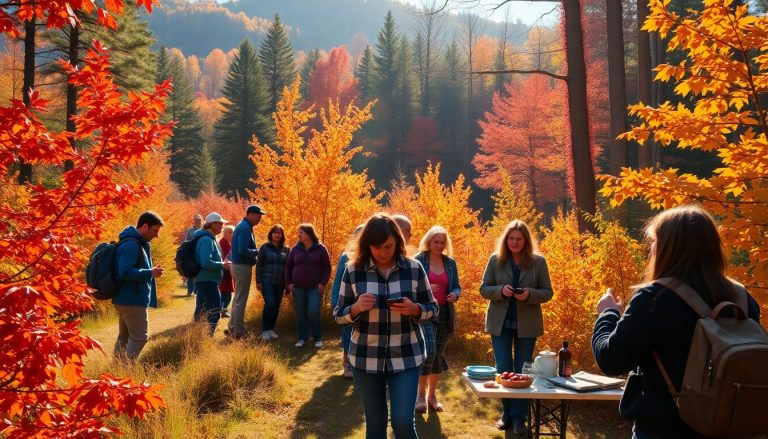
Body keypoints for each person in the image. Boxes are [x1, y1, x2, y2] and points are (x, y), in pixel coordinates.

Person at [592, 205, 761, 439]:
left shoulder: (654, 298)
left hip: (663, 429)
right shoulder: (742, 299)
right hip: (730, 429)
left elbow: (610, 360)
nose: (650, 249)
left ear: (667, 248)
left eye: (653, 242)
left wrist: (607, 314)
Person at [334, 213, 438, 439]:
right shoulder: (353, 270)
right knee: (375, 424)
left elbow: (433, 308)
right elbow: (339, 315)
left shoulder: (414, 268)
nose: (382, 252)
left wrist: (416, 309)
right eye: (376, 247)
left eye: (388, 246)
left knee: (402, 422)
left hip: (407, 354)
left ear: (398, 242)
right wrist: (355, 309)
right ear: (366, 245)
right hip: (365, 357)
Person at [480, 220, 553, 434]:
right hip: (499, 323)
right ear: (506, 240)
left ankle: (519, 418)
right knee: (503, 368)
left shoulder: (538, 262)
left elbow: (548, 292)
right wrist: (500, 290)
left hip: (527, 325)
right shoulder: (496, 260)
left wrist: (530, 294)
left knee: (522, 371)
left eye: (519, 239)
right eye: (511, 238)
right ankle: (506, 415)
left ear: (526, 240)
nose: (514, 242)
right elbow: (484, 289)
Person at [413, 225, 461, 413]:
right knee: (429, 351)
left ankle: (432, 396)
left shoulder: (450, 263)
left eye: (442, 242)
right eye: (436, 242)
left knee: (438, 354)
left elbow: (456, 287)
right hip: (425, 312)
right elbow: (409, 287)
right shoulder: (418, 261)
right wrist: (424, 289)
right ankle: (419, 395)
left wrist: (455, 295)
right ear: (428, 241)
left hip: (444, 312)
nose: (439, 245)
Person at [113, 211, 165, 361]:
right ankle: (125, 369)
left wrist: (149, 271)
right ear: (145, 226)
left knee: (125, 336)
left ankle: (115, 372)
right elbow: (125, 271)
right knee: (140, 337)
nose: (156, 235)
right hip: (131, 299)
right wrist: (150, 273)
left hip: (125, 297)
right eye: (155, 230)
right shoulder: (131, 244)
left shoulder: (133, 242)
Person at [285, 223, 331, 347]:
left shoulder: (321, 248)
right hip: (298, 287)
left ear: (309, 234)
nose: (298, 234)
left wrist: (322, 283)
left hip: (315, 287)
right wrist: (289, 283)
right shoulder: (295, 249)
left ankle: (317, 338)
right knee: (301, 312)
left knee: (314, 310)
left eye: (301, 232)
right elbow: (288, 267)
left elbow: (327, 267)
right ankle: (302, 338)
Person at [330, 224, 365, 378]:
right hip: (348, 299)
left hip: (365, 301)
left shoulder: (373, 255)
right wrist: (335, 299)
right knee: (347, 331)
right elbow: (338, 281)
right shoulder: (346, 256)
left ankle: (362, 363)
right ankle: (347, 364)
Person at [227, 205, 265, 339]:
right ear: (249, 214)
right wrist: (257, 251)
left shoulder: (243, 226)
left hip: (238, 265)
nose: (259, 218)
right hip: (242, 266)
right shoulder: (244, 228)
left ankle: (232, 328)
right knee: (241, 300)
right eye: (258, 215)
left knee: (238, 298)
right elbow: (243, 250)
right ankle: (239, 331)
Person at [193, 212, 230, 335]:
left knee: (201, 311)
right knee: (215, 311)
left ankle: (197, 337)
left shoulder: (208, 238)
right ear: (212, 224)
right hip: (207, 280)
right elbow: (205, 262)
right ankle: (207, 338)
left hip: (204, 280)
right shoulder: (206, 240)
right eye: (219, 224)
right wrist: (222, 265)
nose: (222, 226)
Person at [256, 224, 290, 342]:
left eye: (279, 233)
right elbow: (259, 265)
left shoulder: (286, 249)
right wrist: (258, 281)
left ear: (282, 235)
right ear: (271, 234)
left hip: (280, 282)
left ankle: (271, 329)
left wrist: (288, 283)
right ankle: (265, 330)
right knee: (270, 303)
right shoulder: (265, 247)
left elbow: (288, 267)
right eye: (275, 232)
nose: (277, 234)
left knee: (276, 305)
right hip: (267, 281)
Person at [183, 213, 203, 296]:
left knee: (200, 273)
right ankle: (190, 291)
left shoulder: (203, 230)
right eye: (196, 220)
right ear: (194, 221)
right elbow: (185, 242)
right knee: (191, 272)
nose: (198, 221)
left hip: (201, 254)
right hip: (192, 254)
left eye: (199, 220)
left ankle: (197, 291)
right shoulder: (190, 230)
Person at [219, 225, 235, 318]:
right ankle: (221, 309)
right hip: (224, 271)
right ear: (225, 233)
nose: (233, 234)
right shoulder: (222, 243)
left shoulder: (229, 243)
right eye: (231, 232)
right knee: (224, 291)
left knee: (228, 291)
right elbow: (224, 257)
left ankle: (223, 309)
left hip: (229, 271)